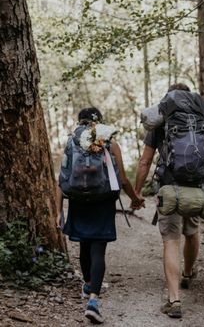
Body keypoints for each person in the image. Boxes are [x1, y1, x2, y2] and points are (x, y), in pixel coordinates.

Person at [133, 83, 204, 319]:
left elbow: (144, 162)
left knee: (171, 240)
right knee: (192, 232)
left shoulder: (161, 122)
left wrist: (137, 193)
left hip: (169, 188)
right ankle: (188, 272)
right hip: (196, 186)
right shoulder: (199, 122)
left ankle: (174, 300)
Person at [56, 107, 144, 324]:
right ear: (99, 122)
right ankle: (93, 300)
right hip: (103, 202)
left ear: (80, 122)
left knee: (84, 245)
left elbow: (62, 179)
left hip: (78, 201)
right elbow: (122, 180)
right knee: (98, 249)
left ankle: (87, 284)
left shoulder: (71, 143)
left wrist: (58, 211)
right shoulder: (109, 143)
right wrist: (135, 198)